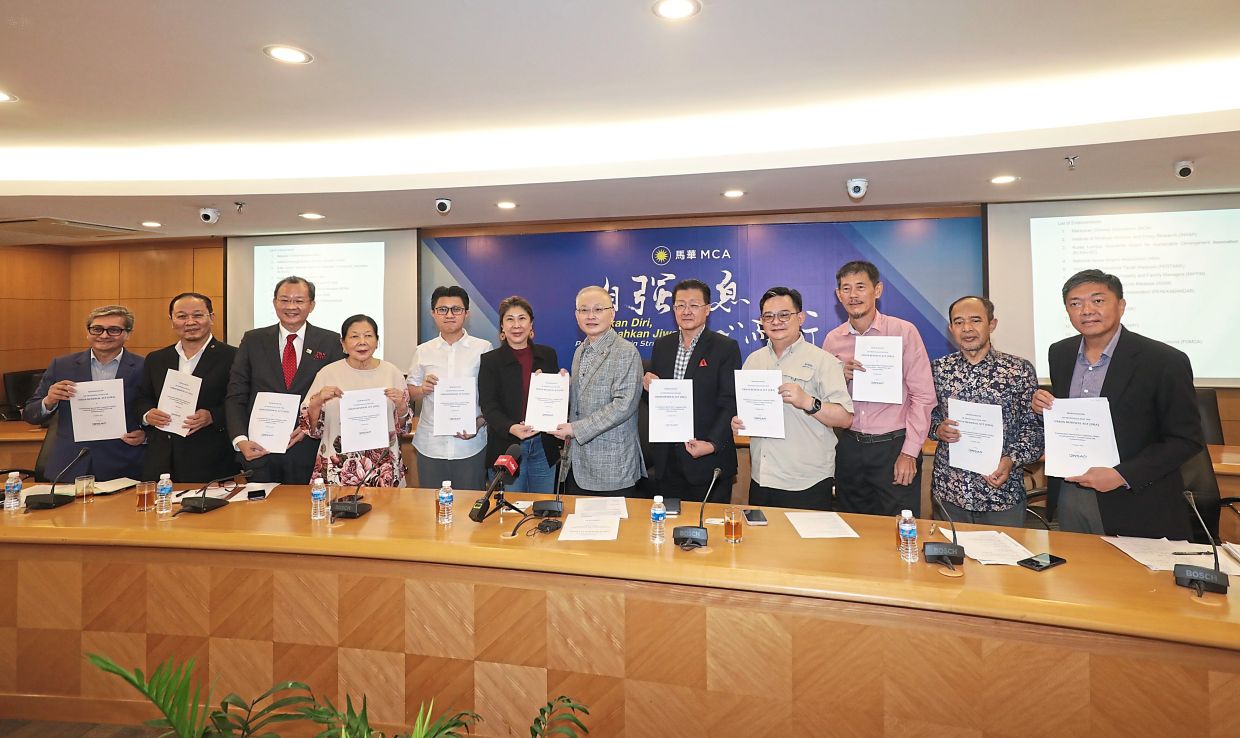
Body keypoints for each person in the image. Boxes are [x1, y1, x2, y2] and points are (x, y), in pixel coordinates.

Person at [1031, 269, 1202, 538]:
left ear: (1121, 305)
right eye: (1075, 303)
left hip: (1136, 500)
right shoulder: (1060, 353)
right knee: (1077, 576)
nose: (1086, 310)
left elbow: (1186, 439)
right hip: (1070, 493)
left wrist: (1122, 475)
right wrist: (1044, 408)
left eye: (1098, 300)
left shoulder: (1164, 360)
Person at [823, 260, 935, 516]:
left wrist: (909, 452)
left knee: (899, 530)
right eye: (846, 288)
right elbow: (824, 398)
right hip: (849, 446)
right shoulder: (832, 339)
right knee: (852, 527)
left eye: (860, 287)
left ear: (878, 290)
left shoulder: (903, 332)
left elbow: (923, 396)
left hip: (893, 447)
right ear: (838, 295)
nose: (853, 295)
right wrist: (840, 377)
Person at [730, 287, 853, 510]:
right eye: (768, 316)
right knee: (761, 545)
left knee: (807, 546)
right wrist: (739, 423)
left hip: (806, 482)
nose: (776, 321)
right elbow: (748, 414)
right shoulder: (753, 361)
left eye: (784, 315)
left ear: (800, 318)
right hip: (762, 478)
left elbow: (845, 418)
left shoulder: (823, 361)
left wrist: (808, 401)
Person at [929, 296, 1042, 526]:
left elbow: (1034, 431)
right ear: (951, 329)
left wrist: (1011, 460)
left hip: (1002, 496)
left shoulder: (1018, 370)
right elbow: (925, 416)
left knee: (1003, 561)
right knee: (948, 561)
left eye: (975, 320)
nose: (967, 328)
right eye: (958, 322)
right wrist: (937, 429)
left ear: (992, 324)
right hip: (950, 493)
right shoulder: (938, 369)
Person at [226, 276, 345, 483]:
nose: (291, 306)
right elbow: (236, 394)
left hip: (309, 451)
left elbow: (337, 395)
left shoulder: (331, 342)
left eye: (299, 301)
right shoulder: (253, 340)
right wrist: (240, 440)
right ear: (274, 303)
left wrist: (308, 427)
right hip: (259, 451)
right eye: (284, 300)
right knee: (259, 514)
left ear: (312, 305)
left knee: (307, 513)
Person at [642, 279, 741, 501]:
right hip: (667, 461)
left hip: (707, 459)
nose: (686, 311)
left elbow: (730, 401)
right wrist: (649, 388)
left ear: (707, 309)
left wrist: (712, 444)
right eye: (680, 305)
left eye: (694, 305)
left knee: (710, 531)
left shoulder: (725, 347)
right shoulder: (662, 346)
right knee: (669, 529)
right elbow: (659, 403)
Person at [23, 305, 146, 481]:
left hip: (124, 464)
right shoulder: (62, 365)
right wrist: (49, 401)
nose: (104, 335)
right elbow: (31, 414)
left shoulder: (145, 367)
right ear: (87, 332)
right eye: (97, 329)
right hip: (70, 465)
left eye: (114, 330)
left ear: (128, 334)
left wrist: (146, 434)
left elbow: (156, 413)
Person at [135, 293, 240, 483]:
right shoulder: (156, 358)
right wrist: (147, 414)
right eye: (182, 316)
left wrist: (212, 416)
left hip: (211, 460)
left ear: (212, 317)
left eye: (198, 315)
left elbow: (241, 401)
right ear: (172, 321)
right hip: (161, 462)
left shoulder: (233, 357)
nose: (190, 322)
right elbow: (143, 398)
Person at [553, 285, 644, 497]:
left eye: (598, 309)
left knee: (615, 530)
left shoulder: (626, 351)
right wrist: (558, 388)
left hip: (612, 467)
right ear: (576, 316)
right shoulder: (580, 351)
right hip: (577, 463)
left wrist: (576, 429)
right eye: (584, 310)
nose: (590, 316)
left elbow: (623, 405)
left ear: (612, 313)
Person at [300, 315, 412, 486]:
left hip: (383, 468)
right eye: (354, 336)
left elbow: (404, 428)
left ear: (377, 341)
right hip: (338, 467)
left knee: (386, 513)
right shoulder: (328, 373)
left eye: (368, 335)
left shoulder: (392, 372)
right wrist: (317, 401)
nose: (362, 342)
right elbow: (311, 430)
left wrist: (402, 406)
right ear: (343, 343)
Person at [407, 285, 491, 491]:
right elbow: (410, 391)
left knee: (469, 511)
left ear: (466, 313)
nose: (449, 315)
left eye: (456, 309)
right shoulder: (423, 351)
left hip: (470, 444)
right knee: (431, 509)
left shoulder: (483, 348)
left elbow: (493, 395)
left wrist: (479, 424)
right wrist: (422, 389)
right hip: (431, 445)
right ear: (433, 313)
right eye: (442, 309)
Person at [478, 296, 562, 493]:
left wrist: (563, 383)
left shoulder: (548, 355)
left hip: (543, 446)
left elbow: (555, 399)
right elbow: (488, 406)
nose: (517, 325)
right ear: (502, 326)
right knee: (510, 513)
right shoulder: (491, 360)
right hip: (508, 447)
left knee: (542, 510)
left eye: (522, 318)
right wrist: (511, 427)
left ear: (531, 323)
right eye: (510, 319)